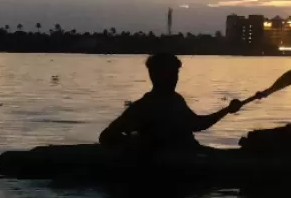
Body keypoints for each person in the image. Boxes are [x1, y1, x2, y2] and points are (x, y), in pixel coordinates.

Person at [100, 53, 245, 156]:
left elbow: (197, 124)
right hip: (174, 161)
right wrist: (135, 144)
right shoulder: (144, 106)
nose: (174, 78)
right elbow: (106, 136)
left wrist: (227, 110)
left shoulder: (176, 100)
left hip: (191, 153)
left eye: (176, 73)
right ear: (155, 75)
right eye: (170, 73)